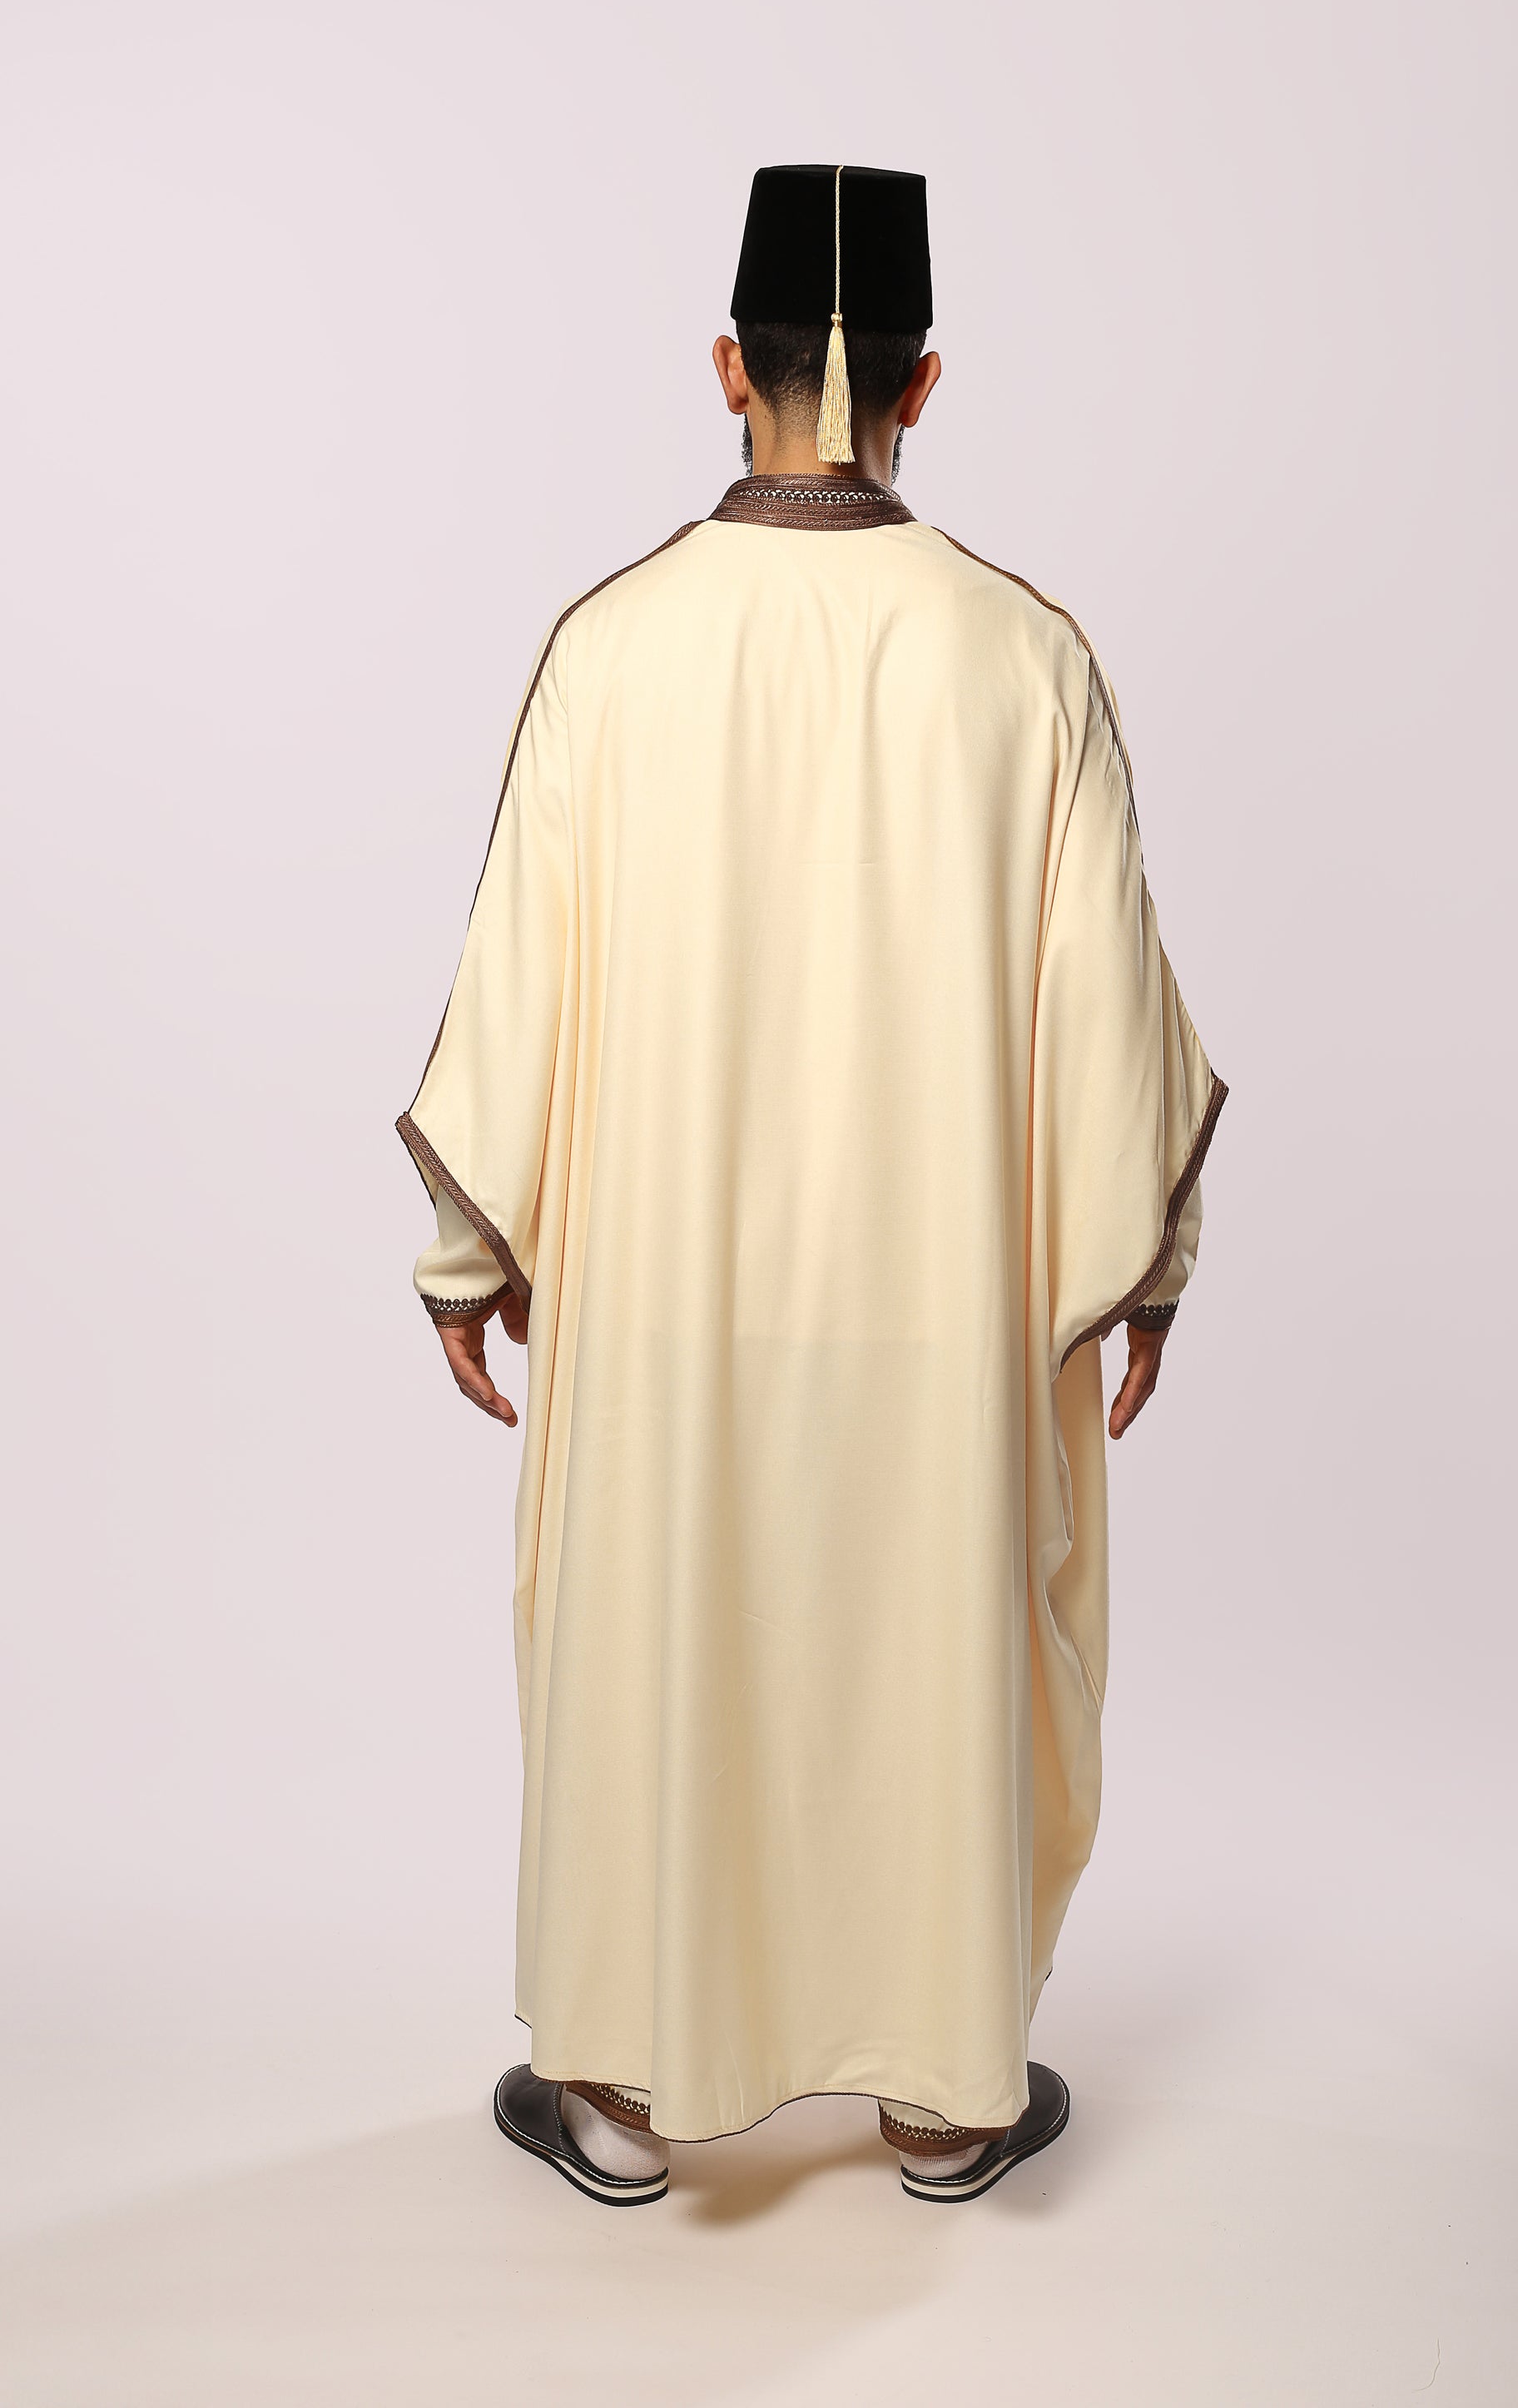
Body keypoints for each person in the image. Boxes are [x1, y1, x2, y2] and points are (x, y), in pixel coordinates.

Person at [397, 162, 1225, 2207]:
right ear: (923, 382)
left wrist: (469, 1252)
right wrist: (1147, 1269)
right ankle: (943, 2094)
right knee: (923, 1615)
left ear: (725, 366)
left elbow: (513, 986)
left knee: (657, 1613)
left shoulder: (610, 648)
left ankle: (619, 2090)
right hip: (937, 1299)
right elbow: (1112, 1023)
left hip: (668, 1300)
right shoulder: (1022, 657)